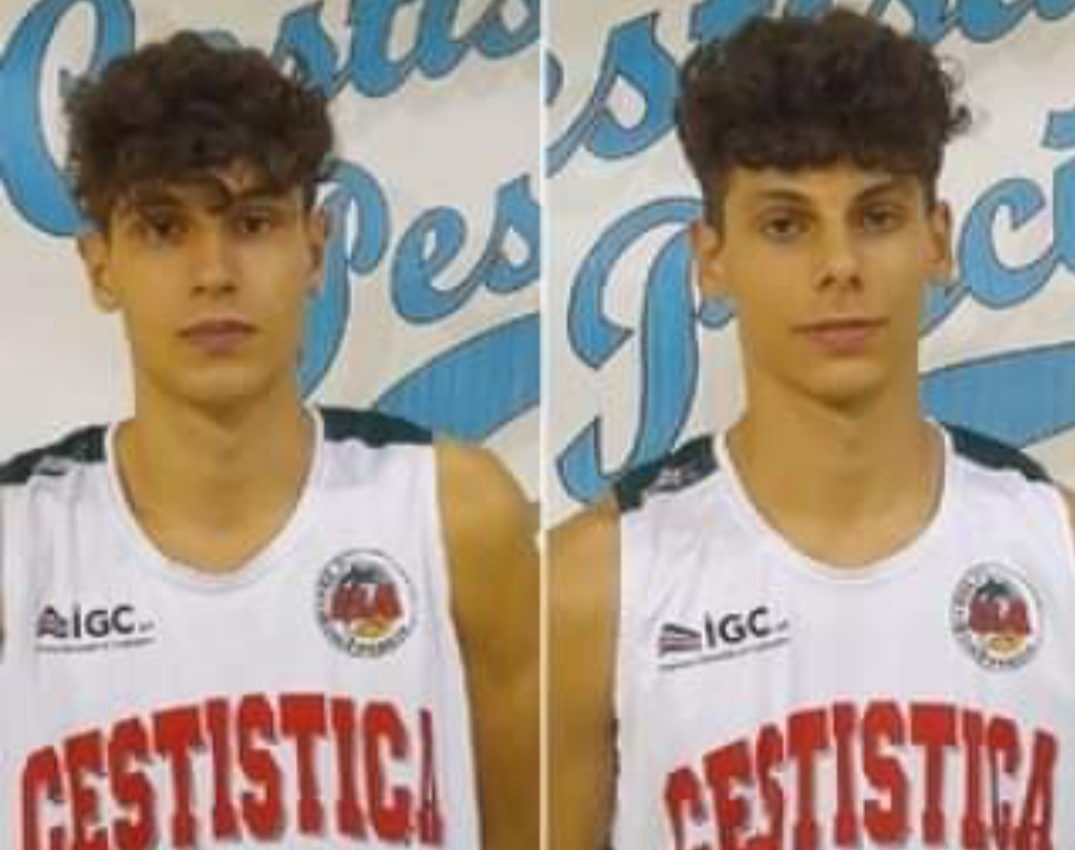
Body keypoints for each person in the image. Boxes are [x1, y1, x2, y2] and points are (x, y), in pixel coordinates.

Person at [551, 9, 1075, 849]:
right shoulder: (591, 585)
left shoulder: (1058, 549)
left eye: (876, 216)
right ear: (711, 259)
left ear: (937, 240)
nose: (839, 265)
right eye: (785, 225)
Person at [0, 33, 536, 850]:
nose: (214, 272)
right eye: (163, 228)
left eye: (252, 223)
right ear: (100, 265)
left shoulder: (453, 513)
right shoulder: (17, 539)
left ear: (313, 249)